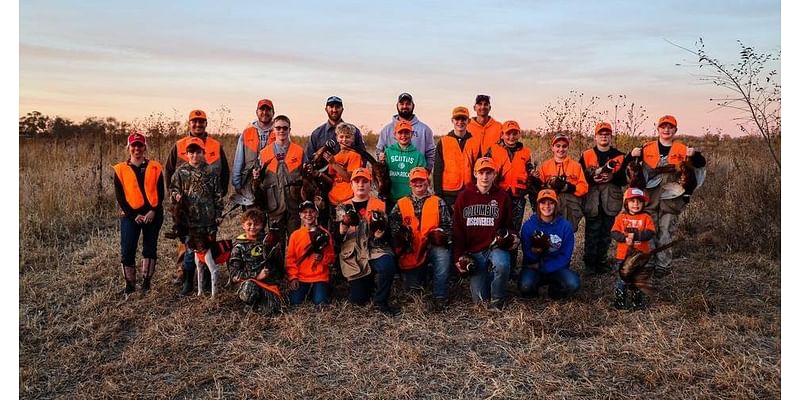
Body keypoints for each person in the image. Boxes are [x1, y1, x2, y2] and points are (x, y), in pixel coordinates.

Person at [630, 115, 706, 278]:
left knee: (665, 232)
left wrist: (695, 154)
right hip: (650, 198)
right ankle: (647, 263)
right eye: (663, 127)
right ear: (658, 129)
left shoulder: (682, 149)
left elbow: (700, 165)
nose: (666, 130)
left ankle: (663, 267)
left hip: (672, 198)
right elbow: (631, 169)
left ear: (675, 130)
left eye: (670, 127)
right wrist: (632, 155)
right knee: (648, 230)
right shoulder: (646, 148)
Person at [164, 109, 229, 285]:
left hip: (207, 207)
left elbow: (224, 173)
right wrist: (174, 198)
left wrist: (217, 199)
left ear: (206, 123)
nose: (198, 124)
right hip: (185, 207)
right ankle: (183, 273)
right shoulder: (179, 145)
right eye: (194, 121)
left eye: (201, 121)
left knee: (208, 240)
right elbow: (169, 171)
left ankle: (207, 273)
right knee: (186, 241)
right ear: (189, 123)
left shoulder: (216, 145)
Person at [452, 157, 518, 311]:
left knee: (502, 264)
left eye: (489, 172)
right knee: (480, 301)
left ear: (494, 175)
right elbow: (457, 230)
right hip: (474, 252)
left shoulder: (502, 197)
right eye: (481, 172)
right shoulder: (464, 196)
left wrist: (513, 237)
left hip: (494, 247)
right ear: (475, 173)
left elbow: (510, 226)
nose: (485, 177)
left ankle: (498, 301)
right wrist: (458, 257)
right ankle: (488, 280)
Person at [336, 168, 400, 316]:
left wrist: (380, 234)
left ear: (370, 185)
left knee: (388, 265)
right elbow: (337, 239)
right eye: (357, 181)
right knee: (359, 300)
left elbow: (389, 234)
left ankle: (381, 301)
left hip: (375, 249)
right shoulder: (341, 208)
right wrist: (342, 228)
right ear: (351, 184)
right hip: (354, 254)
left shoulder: (381, 205)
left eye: (364, 181)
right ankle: (367, 282)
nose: (360, 185)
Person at [388, 167, 452, 311]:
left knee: (443, 256)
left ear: (427, 182)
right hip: (412, 248)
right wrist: (401, 236)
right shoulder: (401, 203)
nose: (418, 183)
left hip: (433, 245)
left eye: (421, 180)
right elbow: (392, 226)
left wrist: (441, 235)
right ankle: (422, 275)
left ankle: (440, 296)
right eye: (414, 181)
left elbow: (448, 226)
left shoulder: (438, 201)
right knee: (413, 292)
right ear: (410, 184)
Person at [169, 137, 224, 296]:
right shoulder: (181, 172)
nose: (194, 155)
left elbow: (218, 195)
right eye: (191, 152)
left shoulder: (211, 171)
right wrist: (176, 196)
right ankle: (188, 283)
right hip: (189, 221)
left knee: (208, 250)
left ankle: (206, 282)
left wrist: (218, 214)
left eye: (198, 152)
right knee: (189, 252)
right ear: (186, 154)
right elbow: (173, 190)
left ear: (203, 153)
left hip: (208, 220)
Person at [113, 132, 165, 296]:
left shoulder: (155, 167)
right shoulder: (120, 169)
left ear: (145, 147)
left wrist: (153, 211)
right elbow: (120, 197)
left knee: (150, 249)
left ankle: (146, 283)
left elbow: (160, 192)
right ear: (129, 148)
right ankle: (130, 285)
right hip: (131, 216)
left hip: (152, 214)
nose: (137, 148)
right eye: (133, 145)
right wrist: (133, 215)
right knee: (127, 249)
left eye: (140, 145)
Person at [579, 122, 628, 275]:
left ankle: (602, 262)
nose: (604, 136)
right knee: (592, 232)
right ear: (595, 137)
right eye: (601, 134)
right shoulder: (586, 155)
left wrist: (612, 177)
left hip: (611, 199)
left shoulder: (620, 155)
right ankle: (589, 264)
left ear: (611, 137)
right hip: (593, 200)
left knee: (606, 233)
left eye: (607, 134)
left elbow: (625, 179)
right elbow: (581, 177)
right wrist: (594, 179)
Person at [518, 189, 580, 299]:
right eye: (543, 202)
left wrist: (543, 266)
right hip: (534, 267)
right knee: (525, 286)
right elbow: (527, 253)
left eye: (551, 203)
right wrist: (535, 252)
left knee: (573, 284)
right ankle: (534, 290)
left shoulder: (565, 226)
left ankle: (555, 290)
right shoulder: (528, 226)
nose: (547, 206)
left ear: (556, 205)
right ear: (537, 205)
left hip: (557, 267)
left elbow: (566, 256)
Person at [253, 115, 304, 239]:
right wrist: (256, 177)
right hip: (273, 206)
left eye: (285, 128)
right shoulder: (264, 153)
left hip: (294, 205)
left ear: (289, 130)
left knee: (295, 242)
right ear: (273, 130)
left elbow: (306, 178)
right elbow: (257, 182)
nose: (282, 130)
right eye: (278, 127)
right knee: (276, 245)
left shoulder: (299, 151)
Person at [229, 208, 283, 315]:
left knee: (272, 311)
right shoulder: (238, 246)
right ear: (243, 225)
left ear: (262, 225)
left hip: (267, 282)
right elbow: (234, 274)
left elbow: (277, 264)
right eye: (249, 224)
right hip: (249, 282)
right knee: (249, 290)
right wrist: (256, 276)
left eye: (256, 224)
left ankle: (261, 303)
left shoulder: (267, 241)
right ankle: (249, 304)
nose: (253, 227)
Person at [610, 188, 656, 310]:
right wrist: (624, 238)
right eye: (632, 201)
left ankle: (637, 302)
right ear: (626, 203)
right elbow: (614, 232)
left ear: (643, 203)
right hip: (623, 257)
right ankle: (619, 302)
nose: (636, 204)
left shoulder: (646, 217)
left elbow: (651, 232)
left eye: (639, 202)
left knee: (639, 280)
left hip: (640, 257)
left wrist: (637, 236)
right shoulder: (621, 217)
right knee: (622, 279)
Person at [286, 201, 336, 306]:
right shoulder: (295, 235)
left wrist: (322, 258)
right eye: (304, 212)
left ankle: (322, 288)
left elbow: (332, 257)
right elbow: (290, 259)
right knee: (294, 302)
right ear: (300, 215)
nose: (308, 214)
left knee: (321, 303)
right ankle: (310, 291)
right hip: (301, 277)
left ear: (317, 214)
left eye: (311, 211)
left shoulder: (325, 234)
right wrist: (293, 277)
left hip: (320, 276)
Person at [537, 134, 588, 232]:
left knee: (567, 233)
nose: (561, 149)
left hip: (570, 206)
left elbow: (584, 187)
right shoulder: (545, 166)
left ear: (568, 147)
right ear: (552, 148)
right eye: (558, 146)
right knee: (549, 232)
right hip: (550, 206)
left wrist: (568, 187)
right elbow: (539, 187)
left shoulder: (576, 166)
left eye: (564, 146)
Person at [433, 106, 481, 208]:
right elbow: (437, 170)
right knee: (449, 223)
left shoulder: (475, 142)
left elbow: (479, 169)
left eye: (463, 119)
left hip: (469, 191)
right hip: (448, 194)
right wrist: (438, 194)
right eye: (457, 119)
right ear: (452, 120)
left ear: (468, 121)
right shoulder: (443, 142)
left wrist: (478, 190)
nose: (460, 122)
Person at [376, 92, 436, 169]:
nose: (405, 106)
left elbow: (431, 154)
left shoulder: (425, 130)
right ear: (397, 106)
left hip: (417, 179)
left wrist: (425, 172)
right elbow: (379, 152)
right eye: (402, 104)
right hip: (393, 177)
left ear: (413, 106)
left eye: (408, 104)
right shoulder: (386, 130)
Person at [231, 99, 275, 201]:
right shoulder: (247, 133)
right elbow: (238, 161)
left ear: (273, 113)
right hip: (249, 185)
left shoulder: (279, 132)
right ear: (257, 112)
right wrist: (237, 184)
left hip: (272, 184)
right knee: (251, 215)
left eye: (268, 109)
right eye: (261, 109)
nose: (265, 112)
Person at [324, 122, 363, 230]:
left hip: (348, 201)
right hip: (333, 200)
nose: (344, 140)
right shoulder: (334, 157)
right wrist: (318, 174)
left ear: (353, 139)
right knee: (335, 233)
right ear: (337, 138)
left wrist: (333, 164)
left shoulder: (355, 156)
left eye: (348, 137)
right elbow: (333, 180)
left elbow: (349, 178)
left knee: (348, 234)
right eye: (341, 137)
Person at [304, 96, 366, 164]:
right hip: (322, 173)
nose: (334, 110)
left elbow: (363, 157)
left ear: (342, 109)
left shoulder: (354, 131)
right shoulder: (316, 134)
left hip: (349, 172)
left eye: (337, 107)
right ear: (326, 109)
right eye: (331, 107)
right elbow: (309, 159)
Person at [382, 120, 427, 212]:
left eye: (406, 132)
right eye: (400, 132)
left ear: (412, 134)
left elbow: (423, 178)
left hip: (409, 200)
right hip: (391, 199)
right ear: (395, 134)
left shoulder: (418, 155)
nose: (403, 135)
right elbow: (381, 174)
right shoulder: (388, 152)